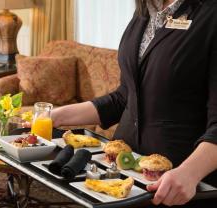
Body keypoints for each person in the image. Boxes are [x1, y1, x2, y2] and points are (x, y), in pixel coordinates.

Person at [51, 0, 217, 207]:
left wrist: (190, 173)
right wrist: (57, 116)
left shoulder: (210, 15)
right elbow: (126, 96)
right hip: (122, 176)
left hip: (178, 185)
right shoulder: (145, 12)